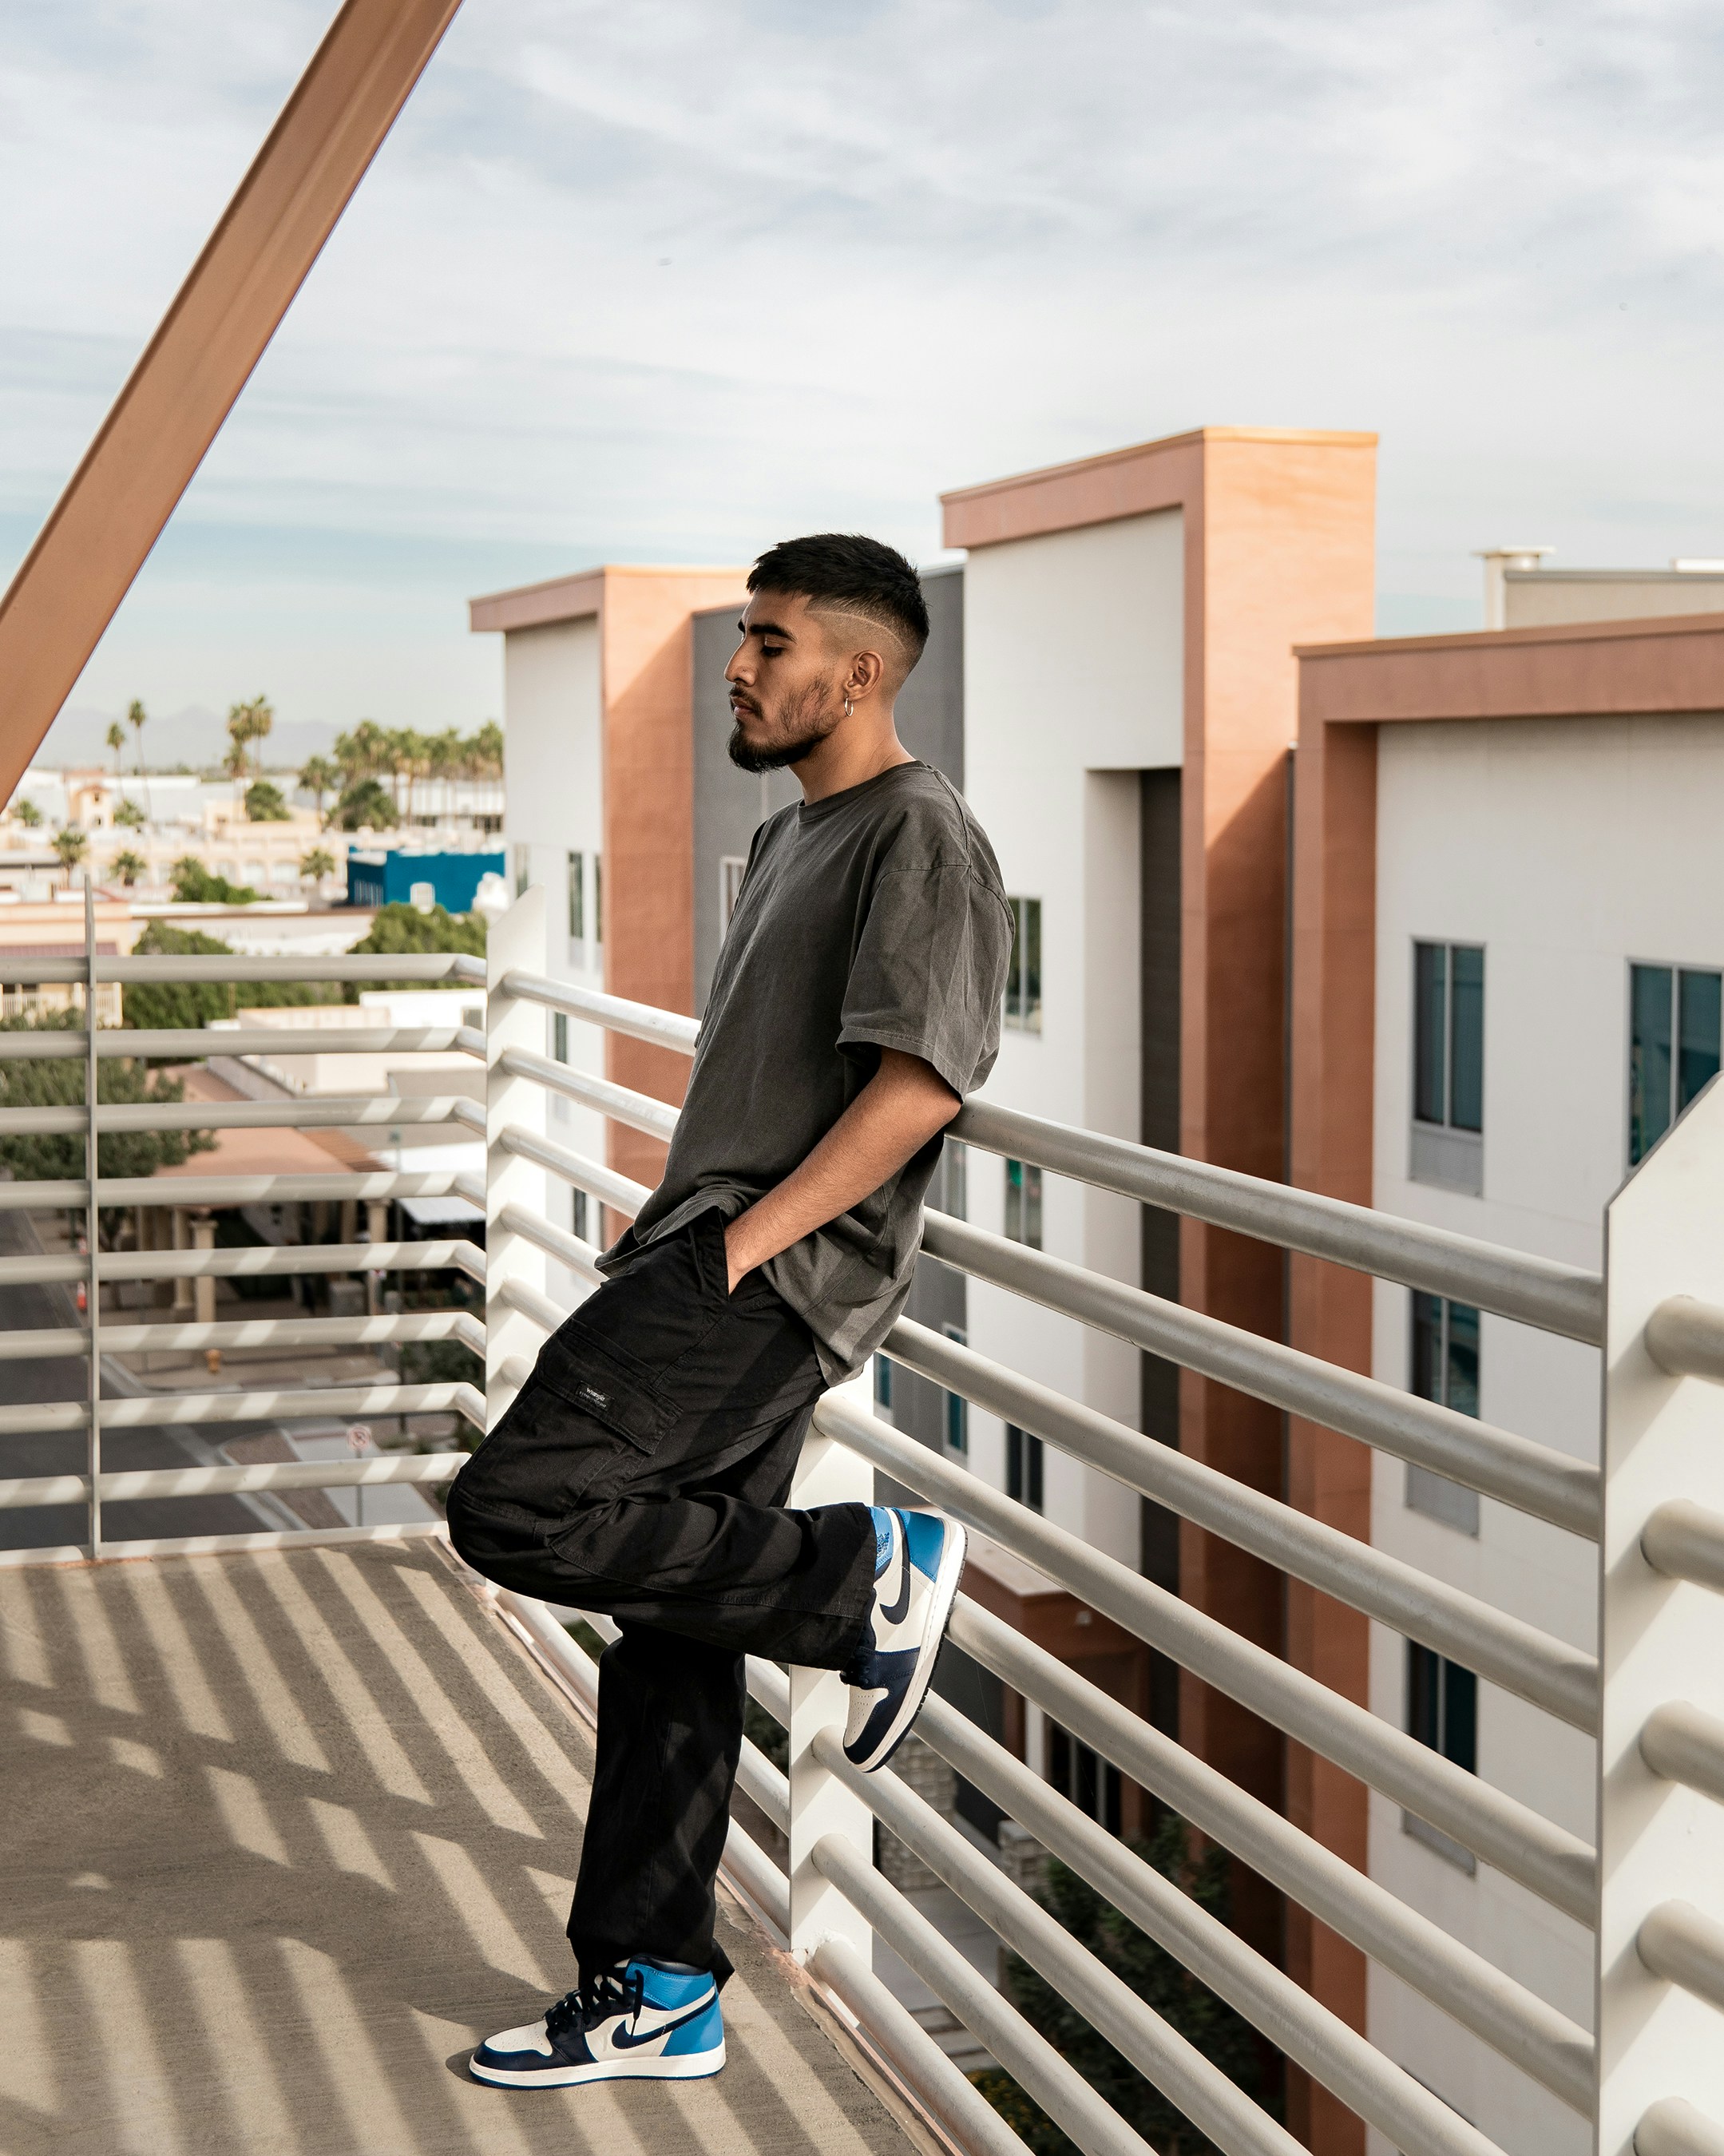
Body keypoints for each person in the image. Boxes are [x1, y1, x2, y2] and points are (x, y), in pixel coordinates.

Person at [448, 532, 1013, 2091]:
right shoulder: (791, 842)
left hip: (761, 1281)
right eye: (743, 643)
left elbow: (918, 1088)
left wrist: (741, 1251)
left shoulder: (921, 836)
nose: (738, 669)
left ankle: (859, 1580)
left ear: (863, 669)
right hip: (701, 1253)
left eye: (769, 643)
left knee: (516, 1506)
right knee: (673, 1624)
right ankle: (655, 1983)